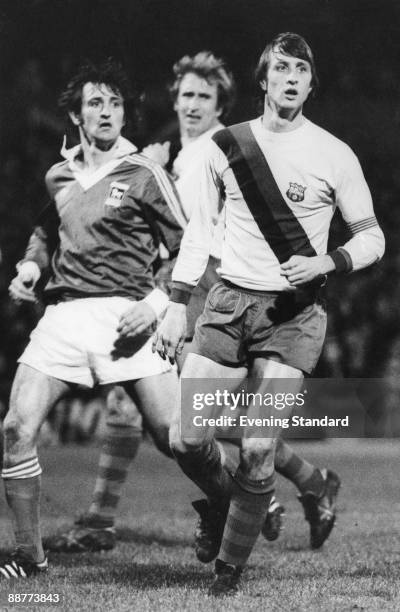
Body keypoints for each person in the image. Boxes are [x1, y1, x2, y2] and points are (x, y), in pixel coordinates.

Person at [44, 50, 342, 558]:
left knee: (194, 415)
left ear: (221, 104)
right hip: (182, 287)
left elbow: (200, 232)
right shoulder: (178, 155)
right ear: (174, 98)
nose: (193, 104)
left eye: (205, 96)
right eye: (186, 95)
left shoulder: (226, 148)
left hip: (214, 292)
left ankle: (265, 491)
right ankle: (302, 485)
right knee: (153, 405)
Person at [153, 32, 385, 595]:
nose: (290, 78)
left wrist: (327, 262)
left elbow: (373, 236)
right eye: (281, 68)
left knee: (257, 444)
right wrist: (176, 305)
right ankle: (233, 504)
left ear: (310, 83)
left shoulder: (334, 153)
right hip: (229, 304)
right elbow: (200, 233)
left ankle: (228, 572)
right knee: (185, 437)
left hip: (294, 314)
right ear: (263, 80)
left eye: (301, 70)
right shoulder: (223, 146)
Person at [0, 59, 186, 580]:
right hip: (63, 315)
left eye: (115, 103)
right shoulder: (58, 173)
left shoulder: (144, 172)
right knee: (16, 427)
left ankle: (229, 500)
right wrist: (31, 267)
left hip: (126, 315)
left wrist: (154, 305)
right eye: (96, 103)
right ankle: (29, 558)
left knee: (176, 440)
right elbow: (46, 233)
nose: (107, 112)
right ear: (77, 117)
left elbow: (185, 247)